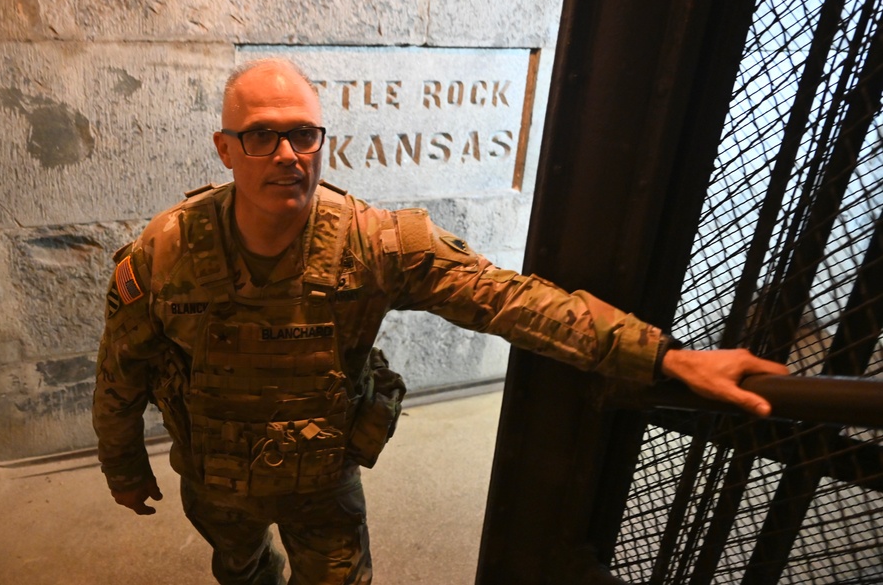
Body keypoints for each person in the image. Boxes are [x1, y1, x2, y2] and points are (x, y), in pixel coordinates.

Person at [93, 58, 788, 585]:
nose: (286, 155)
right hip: (215, 482)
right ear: (225, 147)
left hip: (322, 481)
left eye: (303, 134)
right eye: (262, 135)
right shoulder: (167, 250)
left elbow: (508, 298)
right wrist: (122, 465)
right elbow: (119, 369)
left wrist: (663, 357)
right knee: (241, 568)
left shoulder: (373, 243)